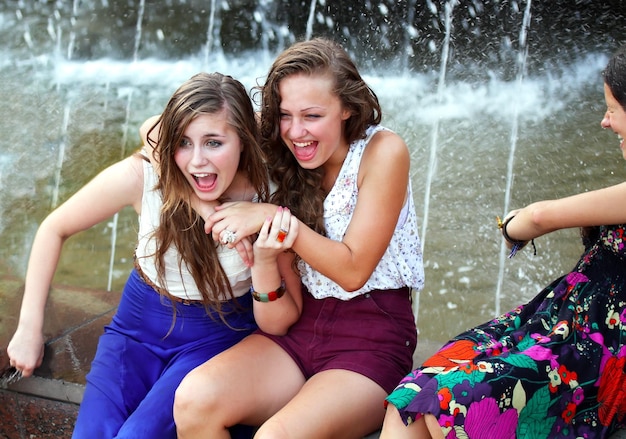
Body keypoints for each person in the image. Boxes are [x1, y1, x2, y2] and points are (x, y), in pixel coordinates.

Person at [4, 72, 289, 438]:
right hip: (135, 328)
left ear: (243, 141)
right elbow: (53, 228)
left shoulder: (267, 197)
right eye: (183, 142)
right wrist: (29, 326)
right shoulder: (146, 175)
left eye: (214, 143)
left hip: (217, 337)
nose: (197, 161)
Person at [173, 37, 425, 439]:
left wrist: (273, 216)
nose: (296, 131)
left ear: (347, 108)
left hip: (370, 339)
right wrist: (211, 213)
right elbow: (155, 134)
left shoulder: (382, 151)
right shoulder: (281, 151)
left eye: (311, 115)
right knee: (193, 400)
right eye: (285, 115)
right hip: (298, 329)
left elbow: (353, 269)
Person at [380, 46, 626, 439]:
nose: (605, 121)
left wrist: (511, 225)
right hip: (556, 322)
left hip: (595, 350)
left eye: (613, 109)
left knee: (449, 405)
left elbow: (538, 218)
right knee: (410, 398)